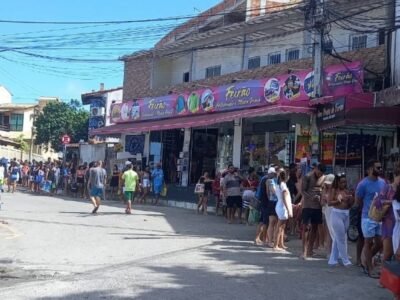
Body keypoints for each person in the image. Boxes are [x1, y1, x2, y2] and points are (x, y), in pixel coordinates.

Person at [355, 159, 386, 278]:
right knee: (368, 242)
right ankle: (369, 268)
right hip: (367, 218)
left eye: (380, 167)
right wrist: (368, 212)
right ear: (370, 169)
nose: (380, 169)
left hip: (379, 218)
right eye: (377, 168)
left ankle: (365, 261)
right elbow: (358, 201)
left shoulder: (383, 183)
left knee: (379, 243)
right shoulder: (363, 184)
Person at [328, 173, 354, 267]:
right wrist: (339, 200)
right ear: (338, 182)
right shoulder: (334, 190)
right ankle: (345, 260)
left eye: (345, 182)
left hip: (346, 214)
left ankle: (332, 259)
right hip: (337, 214)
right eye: (342, 182)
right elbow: (329, 203)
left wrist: (350, 199)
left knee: (338, 238)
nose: (344, 184)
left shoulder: (346, 191)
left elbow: (350, 204)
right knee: (341, 238)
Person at [301, 163, 326, 259]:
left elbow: (324, 190)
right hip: (307, 205)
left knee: (315, 229)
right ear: (316, 169)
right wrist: (311, 197)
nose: (320, 175)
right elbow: (303, 190)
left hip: (318, 206)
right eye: (319, 172)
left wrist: (321, 197)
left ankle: (310, 250)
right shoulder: (307, 176)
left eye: (321, 173)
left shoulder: (323, 177)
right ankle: (304, 250)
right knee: (306, 228)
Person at [274, 169, 293, 251]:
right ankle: (276, 245)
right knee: (279, 227)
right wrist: (289, 210)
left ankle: (281, 243)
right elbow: (285, 198)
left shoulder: (280, 184)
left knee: (282, 227)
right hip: (282, 207)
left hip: (280, 206)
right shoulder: (283, 185)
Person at [321, 174, 335, 258]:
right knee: (329, 232)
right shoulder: (324, 190)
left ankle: (336, 251)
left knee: (335, 232)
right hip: (328, 211)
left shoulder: (335, 190)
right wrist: (325, 200)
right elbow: (322, 203)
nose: (328, 184)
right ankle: (329, 252)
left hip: (336, 211)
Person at [266, 166, 279, 248]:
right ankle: (270, 240)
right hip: (273, 202)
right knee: (272, 222)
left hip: (277, 202)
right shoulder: (271, 181)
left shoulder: (280, 181)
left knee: (277, 223)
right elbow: (272, 192)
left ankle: (275, 240)